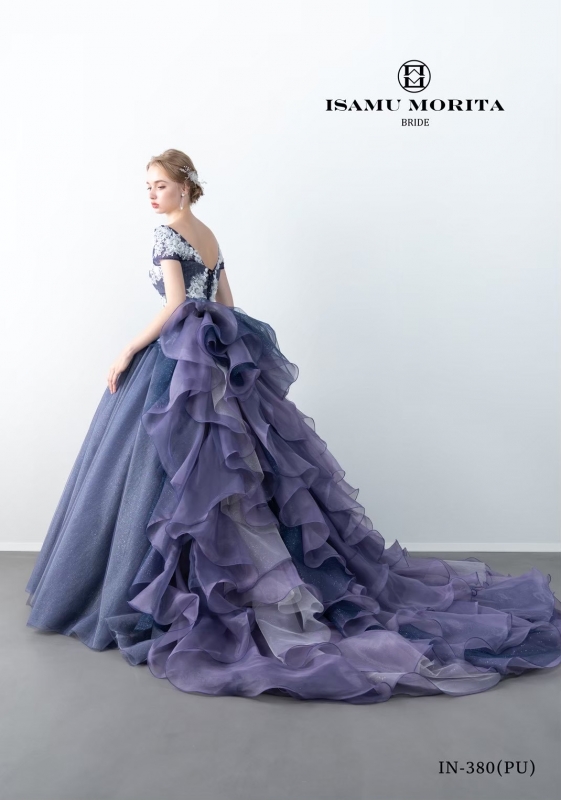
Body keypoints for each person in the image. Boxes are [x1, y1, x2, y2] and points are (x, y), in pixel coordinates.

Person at [25, 148, 561, 704]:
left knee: (170, 474)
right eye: (148, 187)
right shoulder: (208, 234)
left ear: (184, 186)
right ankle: (248, 578)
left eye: (160, 185)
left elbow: (177, 307)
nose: (152, 195)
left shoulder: (167, 235)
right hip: (214, 361)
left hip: (176, 365)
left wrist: (126, 351)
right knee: (228, 472)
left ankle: (155, 593)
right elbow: (228, 304)